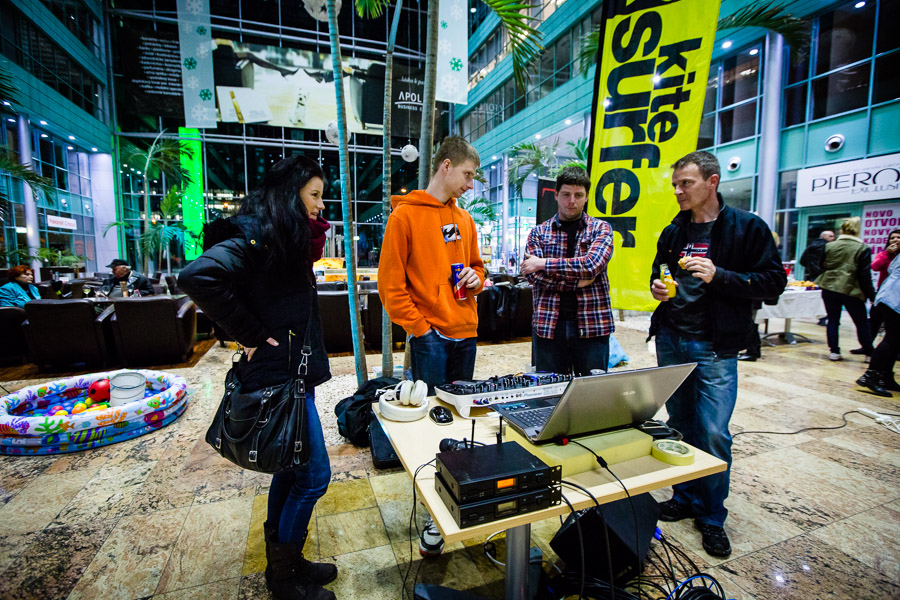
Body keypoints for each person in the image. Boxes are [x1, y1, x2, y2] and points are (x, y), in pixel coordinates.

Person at [178, 156, 335, 600]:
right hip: (277, 377)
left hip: (291, 374)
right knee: (314, 477)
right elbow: (198, 276)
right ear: (290, 194)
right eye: (314, 195)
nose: (321, 205)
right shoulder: (259, 235)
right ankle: (283, 579)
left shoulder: (285, 237)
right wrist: (247, 332)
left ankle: (287, 564)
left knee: (290, 468)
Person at [649, 151, 786, 558]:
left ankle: (711, 516)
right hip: (672, 338)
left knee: (712, 431)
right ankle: (684, 496)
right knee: (679, 424)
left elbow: (773, 282)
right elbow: (659, 271)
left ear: (712, 181)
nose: (678, 191)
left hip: (715, 344)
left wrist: (720, 275)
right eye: (675, 184)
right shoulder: (674, 230)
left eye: (686, 183)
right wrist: (658, 288)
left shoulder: (747, 227)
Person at [378, 135, 485, 557]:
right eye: (467, 175)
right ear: (446, 166)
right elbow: (390, 288)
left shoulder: (465, 219)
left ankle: (455, 500)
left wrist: (478, 279)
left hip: (466, 333)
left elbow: (477, 268)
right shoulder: (404, 217)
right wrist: (420, 330)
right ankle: (432, 514)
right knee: (429, 428)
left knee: (460, 425)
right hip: (432, 339)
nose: (470, 184)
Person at [520, 166, 614, 374]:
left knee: (591, 390)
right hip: (548, 325)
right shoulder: (538, 233)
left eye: (578, 195)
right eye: (566, 194)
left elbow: (591, 265)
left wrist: (543, 263)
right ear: (556, 195)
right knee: (549, 389)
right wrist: (577, 282)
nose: (572, 201)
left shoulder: (601, 229)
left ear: (587, 197)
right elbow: (533, 275)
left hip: (592, 325)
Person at [815, 217, 875, 362]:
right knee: (861, 322)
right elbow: (864, 274)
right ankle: (868, 352)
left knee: (833, 320)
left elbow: (821, 264)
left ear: (842, 230)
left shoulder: (830, 246)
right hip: (851, 289)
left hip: (829, 286)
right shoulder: (862, 248)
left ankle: (834, 351)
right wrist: (871, 294)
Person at [856, 252, 900, 397]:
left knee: (895, 340)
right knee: (892, 338)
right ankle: (870, 376)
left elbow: (891, 268)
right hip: (894, 299)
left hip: (890, 296)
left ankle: (885, 377)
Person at [866, 229, 900, 341]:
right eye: (892, 238)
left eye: (898, 237)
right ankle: (867, 346)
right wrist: (887, 254)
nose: (895, 240)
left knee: (893, 326)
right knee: (874, 321)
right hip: (883, 292)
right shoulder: (884, 254)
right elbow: (875, 267)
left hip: (896, 295)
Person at [799, 230, 834, 326]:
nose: (833, 238)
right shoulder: (829, 248)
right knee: (827, 298)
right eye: (830, 236)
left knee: (817, 298)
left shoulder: (811, 246)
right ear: (824, 237)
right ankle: (828, 318)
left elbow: (802, 261)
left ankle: (822, 318)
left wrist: (810, 267)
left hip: (814, 275)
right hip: (825, 275)